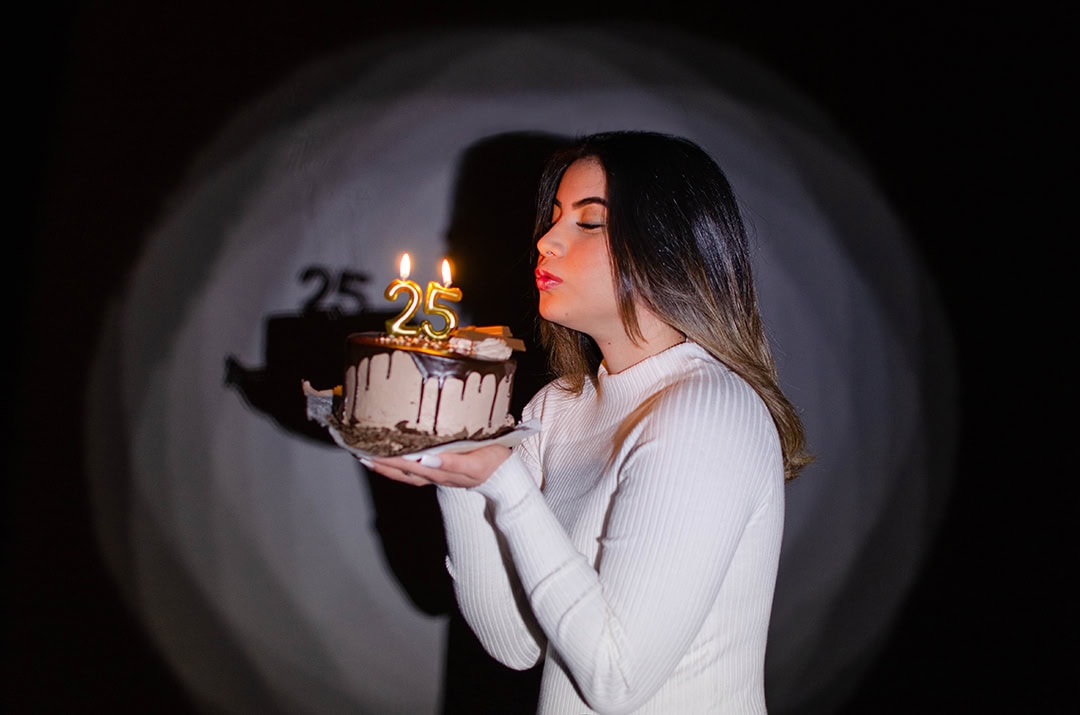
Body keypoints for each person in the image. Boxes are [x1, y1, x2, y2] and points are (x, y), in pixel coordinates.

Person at [365, 130, 812, 714]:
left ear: (668, 246)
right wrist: (458, 475)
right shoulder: (558, 406)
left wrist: (504, 480)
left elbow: (615, 681)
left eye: (589, 222)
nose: (547, 242)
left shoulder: (708, 410)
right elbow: (516, 643)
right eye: (553, 219)